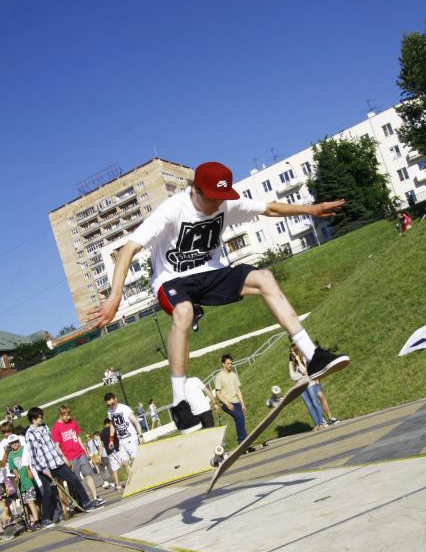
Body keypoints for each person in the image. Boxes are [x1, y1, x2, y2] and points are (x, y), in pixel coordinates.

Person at [88, 161, 349, 434]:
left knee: (265, 279)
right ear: (197, 191)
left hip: (212, 273)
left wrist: (311, 209)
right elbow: (128, 248)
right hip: (172, 281)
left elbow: (269, 208)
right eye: (213, 201)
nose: (218, 207)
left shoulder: (225, 203)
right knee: (184, 312)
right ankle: (180, 404)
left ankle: (313, 354)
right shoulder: (173, 209)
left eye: (222, 201)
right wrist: (115, 296)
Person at [26, 407, 102, 527]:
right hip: (45, 468)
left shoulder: (45, 427)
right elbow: (33, 456)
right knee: (48, 492)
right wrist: (44, 470)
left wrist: (62, 459)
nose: (42, 418)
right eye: (40, 416)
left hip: (57, 462)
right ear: (34, 418)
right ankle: (45, 518)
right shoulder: (29, 434)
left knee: (73, 478)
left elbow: (52, 445)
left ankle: (86, 503)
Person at [51, 405, 105, 507]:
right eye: (65, 415)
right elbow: (57, 446)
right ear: (60, 415)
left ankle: (95, 497)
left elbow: (77, 436)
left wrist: (84, 449)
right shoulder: (56, 428)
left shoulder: (72, 422)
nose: (67, 417)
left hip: (80, 453)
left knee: (88, 474)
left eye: (68, 415)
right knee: (74, 480)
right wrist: (64, 458)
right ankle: (79, 501)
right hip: (70, 457)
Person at [289, 344, 326, 431]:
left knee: (315, 402)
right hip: (299, 386)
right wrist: (301, 375)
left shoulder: (304, 359)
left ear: (298, 351)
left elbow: (305, 371)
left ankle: (321, 423)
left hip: (309, 383)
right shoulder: (291, 363)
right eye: (291, 351)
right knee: (309, 405)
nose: (292, 353)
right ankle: (316, 424)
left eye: (293, 351)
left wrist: (298, 361)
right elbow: (292, 376)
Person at [7, 433, 40, 530]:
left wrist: (29, 472)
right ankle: (34, 519)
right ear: (10, 445)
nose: (14, 444)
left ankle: (37, 520)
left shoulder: (23, 450)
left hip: (29, 480)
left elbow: (29, 462)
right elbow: (12, 468)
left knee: (31, 501)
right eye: (12, 443)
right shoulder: (11, 455)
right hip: (22, 484)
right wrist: (17, 475)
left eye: (16, 442)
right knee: (27, 503)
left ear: (18, 442)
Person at [215, 354, 248, 443]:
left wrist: (242, 403)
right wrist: (227, 404)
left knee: (241, 419)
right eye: (228, 363)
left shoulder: (234, 375)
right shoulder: (219, 376)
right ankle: (242, 440)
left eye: (231, 363)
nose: (230, 365)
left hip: (236, 402)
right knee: (239, 417)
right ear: (223, 364)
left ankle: (245, 440)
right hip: (226, 403)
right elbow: (218, 394)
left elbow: (238, 390)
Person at [104, 393, 143, 463]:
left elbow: (136, 422)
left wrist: (140, 435)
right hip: (121, 441)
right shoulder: (109, 411)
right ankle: (131, 474)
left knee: (136, 461)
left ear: (115, 399)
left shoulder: (124, 408)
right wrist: (111, 440)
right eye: (108, 405)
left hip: (131, 439)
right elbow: (112, 425)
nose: (111, 406)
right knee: (124, 463)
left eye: (112, 404)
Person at [100, 418, 130, 490]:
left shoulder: (102, 433)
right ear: (110, 422)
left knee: (114, 469)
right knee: (124, 464)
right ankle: (131, 479)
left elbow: (102, 444)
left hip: (109, 452)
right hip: (117, 449)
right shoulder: (112, 429)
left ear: (104, 424)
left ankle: (117, 485)